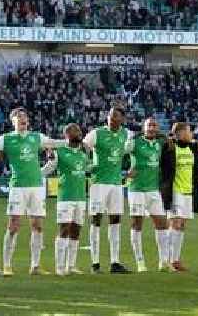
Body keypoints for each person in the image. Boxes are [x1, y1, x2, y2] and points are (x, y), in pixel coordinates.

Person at [0, 107, 67, 276]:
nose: (23, 119)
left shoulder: (36, 137)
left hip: (37, 186)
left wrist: (69, 141)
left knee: (38, 225)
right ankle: (7, 266)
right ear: (13, 121)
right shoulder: (6, 139)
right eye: (19, 117)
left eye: (25, 116)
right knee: (13, 226)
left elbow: (53, 143)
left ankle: (35, 265)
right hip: (18, 187)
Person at [83, 106, 133, 274]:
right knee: (96, 220)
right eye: (110, 116)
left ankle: (114, 262)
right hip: (99, 183)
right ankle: (95, 263)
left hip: (116, 184)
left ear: (122, 119)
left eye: (115, 116)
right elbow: (82, 147)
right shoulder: (97, 133)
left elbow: (134, 146)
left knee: (115, 221)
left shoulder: (126, 134)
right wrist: (88, 165)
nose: (111, 119)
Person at [42, 123, 89, 276]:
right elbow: (49, 168)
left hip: (81, 197)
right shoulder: (59, 152)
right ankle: (60, 266)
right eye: (76, 131)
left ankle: (72, 265)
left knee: (76, 231)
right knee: (64, 230)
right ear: (67, 135)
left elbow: (86, 169)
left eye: (80, 131)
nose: (80, 133)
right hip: (65, 197)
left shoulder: (83, 153)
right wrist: (35, 174)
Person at [160, 123, 198, 272]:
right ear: (180, 133)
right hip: (175, 191)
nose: (192, 134)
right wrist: (169, 138)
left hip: (189, 192)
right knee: (175, 223)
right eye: (189, 131)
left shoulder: (191, 148)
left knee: (181, 226)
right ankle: (165, 261)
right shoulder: (170, 148)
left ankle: (175, 260)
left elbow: (197, 170)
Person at [125, 118, 171, 272]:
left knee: (162, 224)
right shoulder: (134, 143)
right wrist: (125, 172)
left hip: (153, 190)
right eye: (149, 125)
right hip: (137, 189)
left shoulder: (160, 142)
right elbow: (117, 154)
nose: (152, 128)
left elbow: (170, 139)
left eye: (154, 125)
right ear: (143, 128)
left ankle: (163, 262)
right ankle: (140, 263)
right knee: (137, 224)